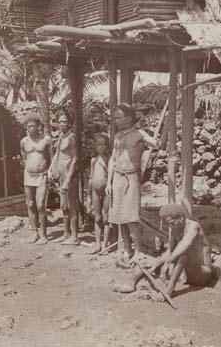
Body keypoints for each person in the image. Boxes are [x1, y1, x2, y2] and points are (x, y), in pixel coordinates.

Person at [112, 203, 213, 298]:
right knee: (147, 261)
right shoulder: (174, 229)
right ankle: (131, 282)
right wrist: (157, 263)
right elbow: (170, 251)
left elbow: (186, 244)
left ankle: (170, 289)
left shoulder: (193, 226)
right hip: (185, 272)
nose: (170, 226)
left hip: (202, 273)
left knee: (184, 254)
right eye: (168, 224)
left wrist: (168, 262)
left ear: (181, 218)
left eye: (172, 223)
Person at [106, 103, 156, 262]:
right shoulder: (118, 136)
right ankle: (127, 249)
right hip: (117, 179)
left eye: (118, 118)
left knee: (131, 217)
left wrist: (167, 128)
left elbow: (157, 144)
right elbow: (112, 160)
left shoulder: (139, 134)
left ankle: (138, 251)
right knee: (119, 216)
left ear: (128, 119)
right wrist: (109, 182)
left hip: (131, 178)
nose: (116, 120)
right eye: (114, 118)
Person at [20, 113, 53, 244]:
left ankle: (44, 235)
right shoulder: (23, 141)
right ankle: (35, 233)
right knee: (30, 204)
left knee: (40, 205)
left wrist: (49, 171)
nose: (32, 128)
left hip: (42, 175)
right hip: (28, 175)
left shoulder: (46, 139)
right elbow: (24, 158)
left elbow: (52, 157)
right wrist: (30, 168)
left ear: (38, 126)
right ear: (26, 127)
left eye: (34, 125)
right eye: (29, 126)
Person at [49, 109, 80, 245]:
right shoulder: (61, 136)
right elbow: (57, 154)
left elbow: (74, 159)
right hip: (60, 176)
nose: (61, 124)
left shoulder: (72, 138)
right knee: (64, 206)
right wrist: (51, 168)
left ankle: (74, 236)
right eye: (60, 121)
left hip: (69, 177)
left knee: (72, 206)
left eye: (64, 122)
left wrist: (67, 180)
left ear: (69, 124)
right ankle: (66, 233)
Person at [87, 132, 114, 255]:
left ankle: (105, 244)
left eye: (104, 145)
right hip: (95, 191)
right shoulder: (93, 160)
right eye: (99, 145)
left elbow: (111, 176)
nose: (101, 147)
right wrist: (88, 196)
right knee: (97, 217)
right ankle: (97, 243)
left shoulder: (109, 160)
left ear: (107, 147)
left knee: (106, 217)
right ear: (96, 147)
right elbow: (91, 178)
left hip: (107, 191)